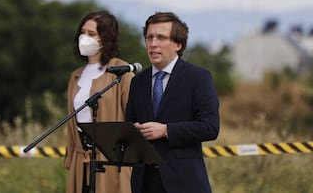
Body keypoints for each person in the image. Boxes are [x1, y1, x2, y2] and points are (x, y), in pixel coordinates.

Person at [125, 12, 220, 193]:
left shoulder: (198, 78)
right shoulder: (138, 82)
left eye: (161, 38)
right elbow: (130, 123)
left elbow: (210, 127)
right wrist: (133, 131)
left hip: (184, 183)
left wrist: (166, 130)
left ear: (178, 44)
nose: (153, 44)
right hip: (144, 183)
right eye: (149, 37)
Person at [64, 10, 133, 193]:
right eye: (83, 32)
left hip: (112, 162)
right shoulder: (76, 76)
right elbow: (72, 125)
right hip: (81, 161)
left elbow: (133, 121)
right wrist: (70, 159)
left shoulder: (123, 72)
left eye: (91, 34)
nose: (84, 38)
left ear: (106, 38)